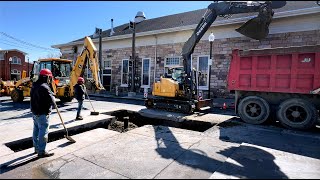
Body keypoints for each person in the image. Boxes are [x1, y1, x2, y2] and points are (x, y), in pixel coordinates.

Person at [30, 69, 55, 158]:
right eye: (49, 78)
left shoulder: (34, 85)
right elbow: (51, 100)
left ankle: (36, 148)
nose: (50, 79)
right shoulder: (45, 87)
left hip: (35, 113)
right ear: (46, 77)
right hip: (43, 114)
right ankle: (42, 151)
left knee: (36, 130)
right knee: (43, 132)